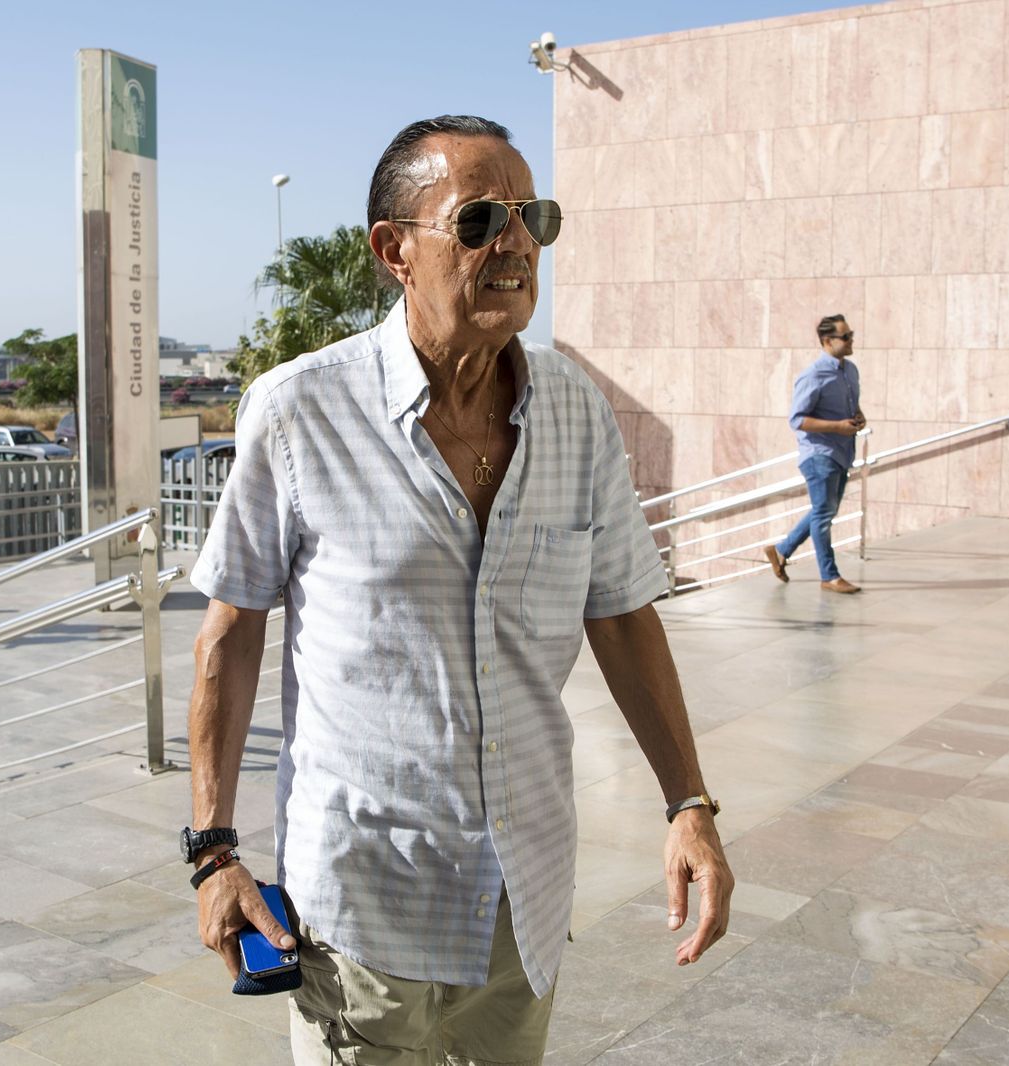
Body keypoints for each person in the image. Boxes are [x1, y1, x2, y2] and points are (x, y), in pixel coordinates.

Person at [185, 115, 732, 1064]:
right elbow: (229, 635)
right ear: (395, 250)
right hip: (360, 915)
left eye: (532, 217)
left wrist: (689, 803)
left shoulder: (574, 409)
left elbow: (624, 615)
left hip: (521, 906)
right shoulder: (299, 409)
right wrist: (213, 851)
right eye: (479, 220)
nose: (515, 242)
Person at [765, 314, 866, 594]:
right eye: (845, 336)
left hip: (843, 451)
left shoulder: (851, 371)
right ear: (827, 341)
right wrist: (837, 427)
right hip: (818, 453)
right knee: (824, 513)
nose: (851, 340)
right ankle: (829, 576)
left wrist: (858, 418)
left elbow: (851, 407)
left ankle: (781, 550)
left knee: (825, 510)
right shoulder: (813, 375)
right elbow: (797, 419)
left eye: (851, 334)